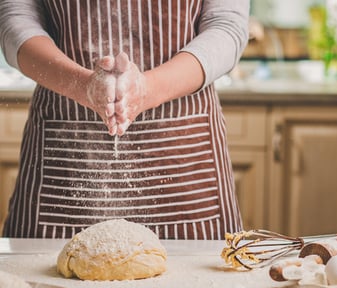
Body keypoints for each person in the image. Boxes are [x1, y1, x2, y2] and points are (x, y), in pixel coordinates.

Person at [0, 0, 249, 239]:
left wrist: (149, 89)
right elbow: (15, 20)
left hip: (186, 165)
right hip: (65, 162)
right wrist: (81, 85)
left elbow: (227, 26)